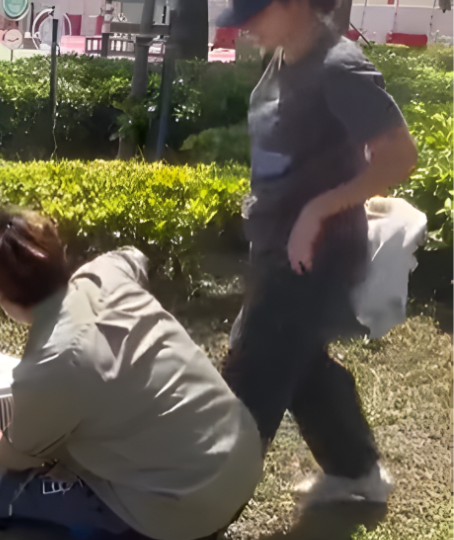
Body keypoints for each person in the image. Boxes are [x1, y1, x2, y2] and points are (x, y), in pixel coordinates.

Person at [0, 209, 263, 540]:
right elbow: (135, 257)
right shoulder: (105, 272)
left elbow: (14, 456)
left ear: (2, 297)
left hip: (183, 508)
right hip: (242, 462)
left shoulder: (48, 365)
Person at [215, 0, 418, 506]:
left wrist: (317, 212)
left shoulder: (338, 68)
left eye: (255, 13)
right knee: (302, 365)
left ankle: (202, 502)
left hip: (311, 258)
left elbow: (400, 156)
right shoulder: (285, 57)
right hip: (279, 248)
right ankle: (358, 474)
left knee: (250, 375)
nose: (246, 26)